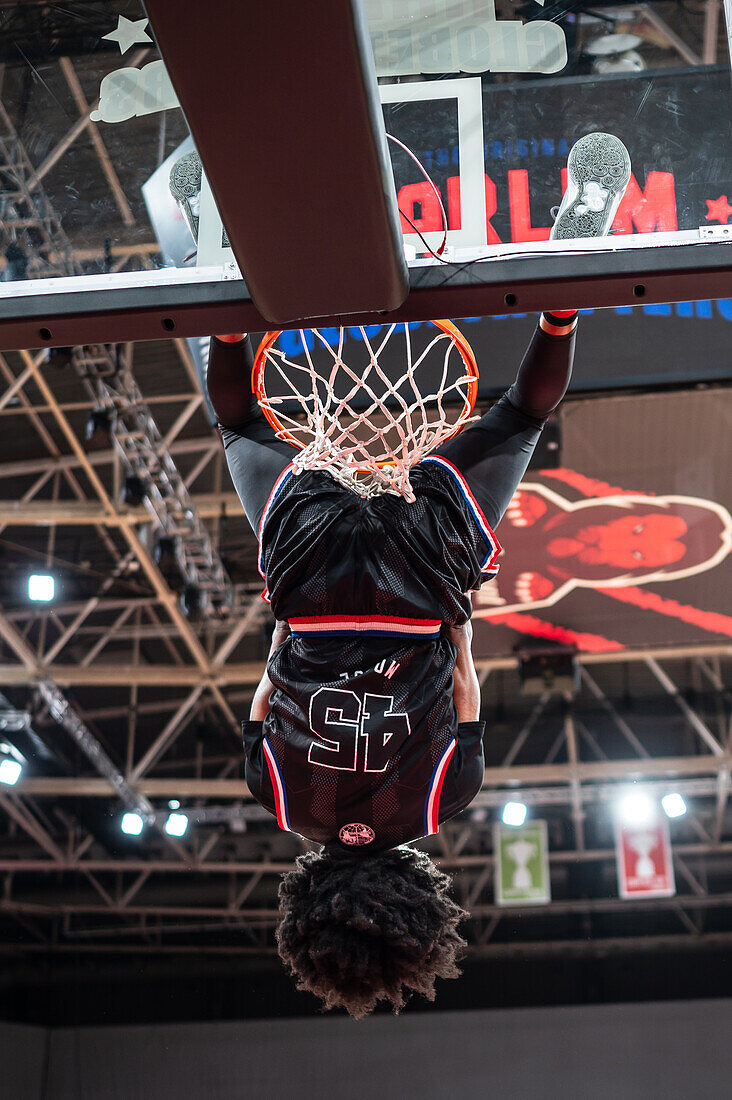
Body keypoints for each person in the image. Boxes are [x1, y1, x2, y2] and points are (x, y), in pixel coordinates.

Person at [183, 132, 631, 1018]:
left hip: (420, 583)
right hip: (311, 585)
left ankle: (565, 294)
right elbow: (269, 682)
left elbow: (462, 673)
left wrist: (451, 600)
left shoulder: (442, 796)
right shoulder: (274, 797)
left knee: (522, 413)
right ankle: (217, 262)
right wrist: (300, 592)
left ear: (416, 895)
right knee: (238, 426)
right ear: (307, 898)